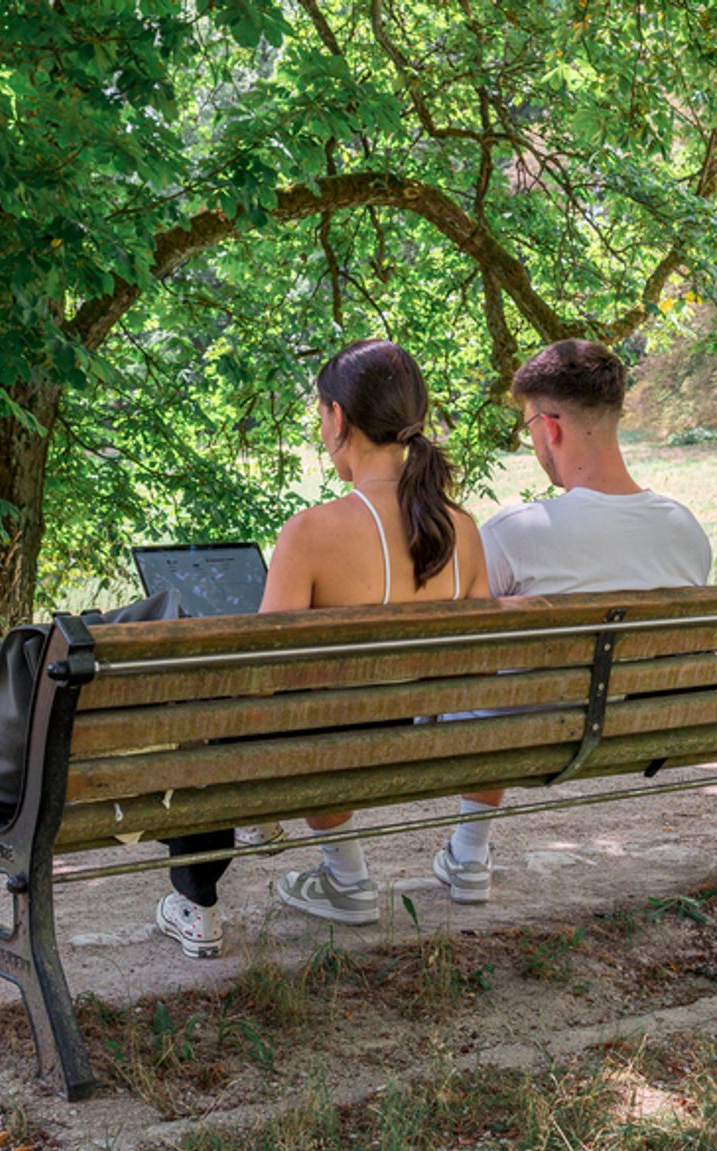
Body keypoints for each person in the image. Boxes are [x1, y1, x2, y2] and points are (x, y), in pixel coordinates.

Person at [159, 339, 492, 944]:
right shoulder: (461, 529)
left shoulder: (311, 532)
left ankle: (203, 899)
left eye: (319, 415)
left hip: (326, 748)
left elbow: (261, 674)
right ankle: (341, 875)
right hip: (415, 739)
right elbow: (476, 662)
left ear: (338, 418)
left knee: (201, 713)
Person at [427, 339, 711, 906]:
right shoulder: (686, 529)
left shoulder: (517, 530)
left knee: (481, 689)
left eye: (528, 426)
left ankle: (469, 849)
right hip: (641, 728)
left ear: (550, 426)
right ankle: (466, 852)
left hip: (524, 733)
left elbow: (457, 647)